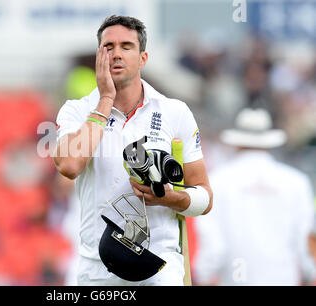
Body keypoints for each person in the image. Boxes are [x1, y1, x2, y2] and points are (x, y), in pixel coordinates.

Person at [53, 15, 213, 286]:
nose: (116, 54)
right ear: (98, 57)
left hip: (160, 265)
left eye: (126, 46)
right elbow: (68, 166)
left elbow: (205, 199)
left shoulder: (175, 112)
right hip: (97, 268)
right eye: (108, 47)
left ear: (143, 58)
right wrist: (105, 100)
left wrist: (170, 198)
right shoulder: (76, 110)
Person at [193, 108, 315, 286]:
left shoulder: (219, 181)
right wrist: (310, 273)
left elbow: (213, 244)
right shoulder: (296, 182)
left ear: (237, 142)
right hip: (283, 279)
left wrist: (202, 275)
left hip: (237, 279)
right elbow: (305, 241)